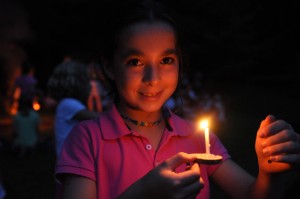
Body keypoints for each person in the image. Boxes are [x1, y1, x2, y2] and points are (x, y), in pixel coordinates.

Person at [55, 0, 300, 199]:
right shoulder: (87, 140)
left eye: (166, 60)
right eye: (135, 62)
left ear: (179, 62)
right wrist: (142, 194)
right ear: (109, 67)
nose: (153, 78)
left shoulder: (198, 139)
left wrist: (269, 174)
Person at [47, 60, 99, 158]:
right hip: (70, 162)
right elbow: (97, 118)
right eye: (87, 80)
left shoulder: (67, 103)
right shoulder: (69, 104)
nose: (90, 85)